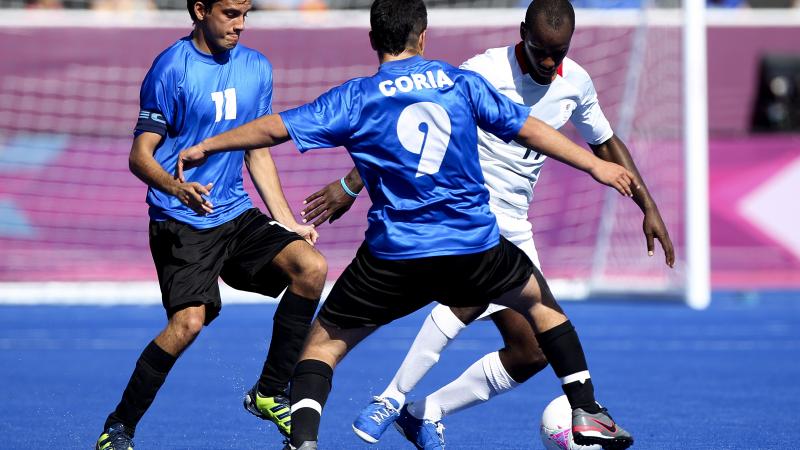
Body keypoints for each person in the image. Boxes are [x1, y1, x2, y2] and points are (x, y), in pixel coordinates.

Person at [176, 1, 639, 449]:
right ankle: (586, 410)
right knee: (541, 305)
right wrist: (593, 165)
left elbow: (275, 127)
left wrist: (210, 145)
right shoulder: (460, 83)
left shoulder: (356, 97)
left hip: (394, 257)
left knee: (320, 348)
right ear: (424, 36)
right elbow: (527, 128)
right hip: (472, 247)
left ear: (374, 38)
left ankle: (305, 444)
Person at [300, 0, 674, 448]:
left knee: (532, 350)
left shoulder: (576, 82)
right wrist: (352, 182)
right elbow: (418, 119)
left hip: (516, 222)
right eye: (540, 51)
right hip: (467, 214)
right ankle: (391, 397)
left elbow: (605, 143)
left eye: (560, 52)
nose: (550, 63)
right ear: (522, 33)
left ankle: (424, 412)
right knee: (471, 297)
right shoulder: (483, 70)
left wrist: (647, 205)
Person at [93, 1, 328, 448]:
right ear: (200, 10)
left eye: (245, 13)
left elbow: (257, 150)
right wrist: (176, 187)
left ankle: (269, 392)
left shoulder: (256, 67)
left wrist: (286, 222)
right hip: (180, 219)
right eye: (230, 14)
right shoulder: (171, 68)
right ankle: (118, 427)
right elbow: (139, 155)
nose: (240, 25)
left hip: (234, 213)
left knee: (311, 267)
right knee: (188, 324)